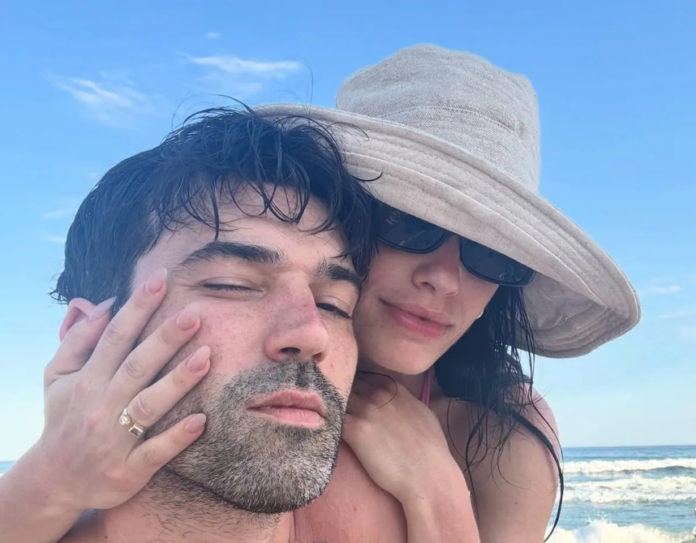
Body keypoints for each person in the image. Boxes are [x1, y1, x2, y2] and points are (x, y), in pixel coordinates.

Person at [0, 45, 640, 543]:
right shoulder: (182, 388)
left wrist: (436, 486)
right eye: (409, 224)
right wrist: (50, 480)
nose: (445, 277)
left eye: (493, 253)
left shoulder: (503, 429)